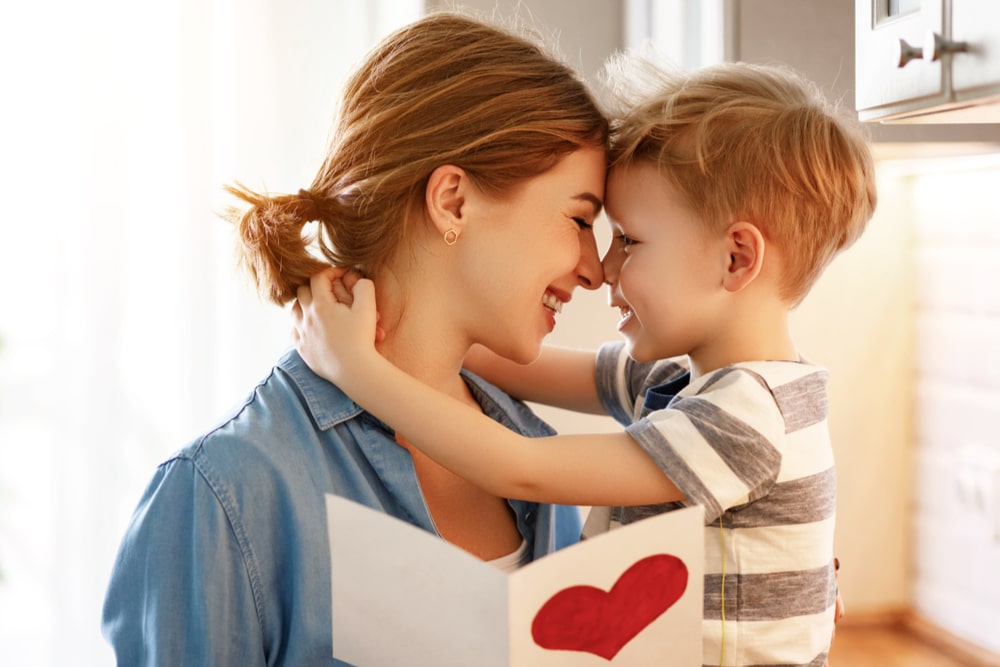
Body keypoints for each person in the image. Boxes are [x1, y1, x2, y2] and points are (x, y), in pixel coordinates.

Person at [291, 57, 877, 666]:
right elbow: (518, 362)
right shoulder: (681, 384)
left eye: (629, 239)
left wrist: (356, 368)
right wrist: (411, 304)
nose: (605, 270)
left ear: (736, 259)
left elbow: (522, 469)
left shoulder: (745, 419)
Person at [100, 11, 612, 665]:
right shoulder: (226, 492)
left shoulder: (537, 462)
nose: (595, 269)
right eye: (578, 218)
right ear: (453, 201)